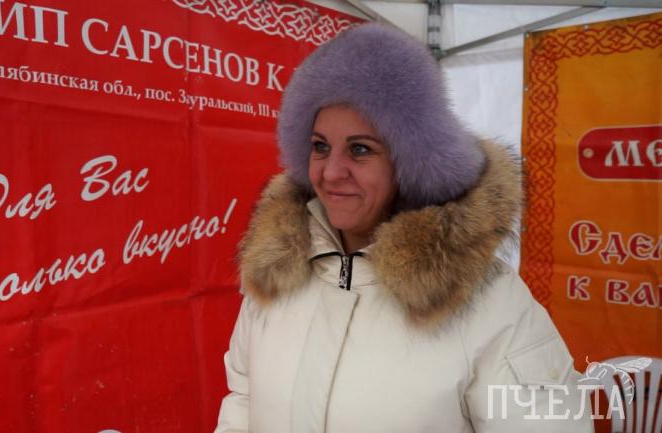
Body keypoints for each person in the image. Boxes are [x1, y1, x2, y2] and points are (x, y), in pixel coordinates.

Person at [214, 23, 593, 433]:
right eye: (320, 146)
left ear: (412, 161)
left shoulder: (488, 301)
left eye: (360, 149)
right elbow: (242, 400)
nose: (331, 171)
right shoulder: (276, 274)